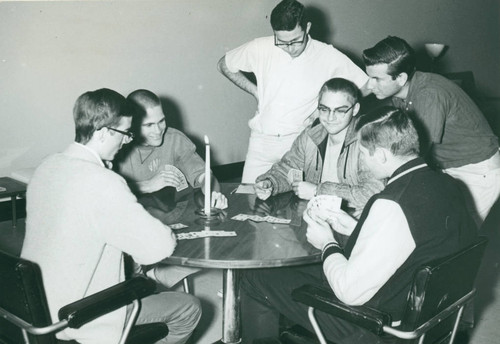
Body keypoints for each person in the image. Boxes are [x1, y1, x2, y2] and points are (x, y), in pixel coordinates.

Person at [240, 107, 476, 344]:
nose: (360, 159)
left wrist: (327, 242)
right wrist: (355, 227)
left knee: (256, 277)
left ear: (382, 155)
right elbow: (414, 243)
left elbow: (349, 292)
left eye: (362, 153)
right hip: (429, 315)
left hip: (375, 326)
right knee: (286, 274)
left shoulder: (392, 203)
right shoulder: (448, 184)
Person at [21, 89, 201, 344]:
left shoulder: (47, 166)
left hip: (33, 307)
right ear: (104, 132)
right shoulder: (104, 182)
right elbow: (158, 249)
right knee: (188, 307)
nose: (127, 141)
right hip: (79, 315)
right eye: (126, 133)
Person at [217, 0, 369, 183]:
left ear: (308, 27)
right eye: (282, 42)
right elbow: (224, 64)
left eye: (296, 41)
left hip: (299, 143)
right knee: (250, 197)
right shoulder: (260, 47)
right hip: (261, 142)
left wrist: (319, 112)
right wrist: (255, 91)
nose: (290, 48)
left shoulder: (328, 55)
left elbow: (366, 86)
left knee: (294, 203)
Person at [362, 36, 500, 227]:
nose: (369, 85)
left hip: (477, 170)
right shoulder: (401, 94)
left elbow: (415, 155)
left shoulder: (429, 94)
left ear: (401, 78)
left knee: (461, 236)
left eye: (376, 79)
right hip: (450, 168)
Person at [254, 78, 384, 219]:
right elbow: (288, 168)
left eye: (340, 111)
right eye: (324, 109)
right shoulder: (310, 135)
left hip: (351, 221)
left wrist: (318, 191)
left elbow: (374, 192)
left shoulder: (368, 139)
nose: (330, 117)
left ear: (355, 110)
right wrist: (270, 183)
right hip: (313, 217)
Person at [115, 89, 227, 209]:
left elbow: (204, 176)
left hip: (170, 215)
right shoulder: (117, 145)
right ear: (132, 124)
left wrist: (213, 194)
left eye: (161, 121)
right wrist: (147, 186)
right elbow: (103, 191)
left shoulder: (175, 139)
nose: (158, 131)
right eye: (149, 125)